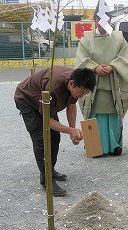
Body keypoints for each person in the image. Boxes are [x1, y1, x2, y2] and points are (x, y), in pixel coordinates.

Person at [14, 66, 96, 196]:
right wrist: (69, 130)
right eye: (80, 93)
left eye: (84, 94)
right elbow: (47, 120)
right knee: (41, 139)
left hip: (44, 102)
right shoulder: (54, 88)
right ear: (71, 84)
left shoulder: (75, 81)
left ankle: (50, 170)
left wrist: (72, 130)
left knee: (55, 137)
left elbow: (71, 105)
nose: (81, 96)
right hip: (27, 100)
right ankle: (47, 181)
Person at [75, 2, 128, 156]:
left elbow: (124, 58)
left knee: (113, 115)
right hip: (93, 88)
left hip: (113, 87)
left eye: (106, 19)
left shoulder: (119, 38)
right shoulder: (86, 39)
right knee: (95, 116)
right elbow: (81, 60)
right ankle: (95, 147)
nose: (102, 22)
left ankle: (114, 146)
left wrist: (112, 66)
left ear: (110, 20)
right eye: (99, 18)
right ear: (94, 20)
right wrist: (95, 67)